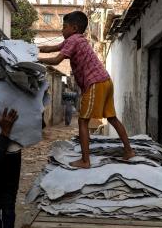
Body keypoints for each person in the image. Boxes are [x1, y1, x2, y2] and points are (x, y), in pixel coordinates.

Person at [38, 11, 135, 168]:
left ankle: (85, 161)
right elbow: (52, 48)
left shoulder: (73, 40)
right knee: (112, 118)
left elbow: (56, 60)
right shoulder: (76, 39)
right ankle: (129, 151)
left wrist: (36, 59)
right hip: (105, 81)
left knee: (83, 121)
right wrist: (34, 48)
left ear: (74, 28)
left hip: (95, 82)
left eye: (64, 27)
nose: (62, 30)